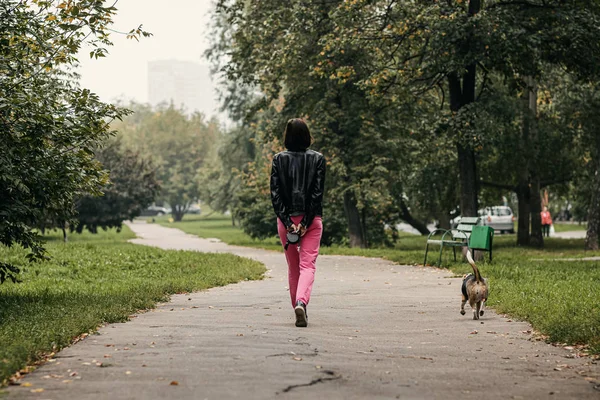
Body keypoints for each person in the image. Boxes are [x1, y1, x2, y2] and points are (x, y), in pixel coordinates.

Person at [270, 118, 326, 328]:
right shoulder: (318, 159)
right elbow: (316, 195)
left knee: (293, 267)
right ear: (307, 136)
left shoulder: (278, 159)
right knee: (307, 265)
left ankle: (297, 305)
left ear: (287, 136)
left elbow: (275, 195)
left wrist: (288, 222)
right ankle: (302, 302)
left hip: (286, 222)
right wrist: (305, 222)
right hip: (311, 220)